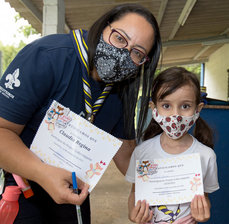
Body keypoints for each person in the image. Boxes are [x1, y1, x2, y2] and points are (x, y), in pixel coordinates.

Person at [0, 3, 161, 223]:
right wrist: (41, 172)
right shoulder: (48, 57)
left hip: (74, 192)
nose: (123, 54)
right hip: (23, 189)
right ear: (104, 27)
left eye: (137, 52)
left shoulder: (123, 86)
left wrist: (161, 182)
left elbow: (125, 152)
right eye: (120, 38)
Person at [126, 67, 219, 224]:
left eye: (185, 106)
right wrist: (132, 213)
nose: (175, 116)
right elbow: (135, 192)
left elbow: (205, 198)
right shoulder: (142, 153)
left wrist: (203, 212)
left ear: (198, 109)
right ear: (154, 109)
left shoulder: (206, 156)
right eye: (166, 106)